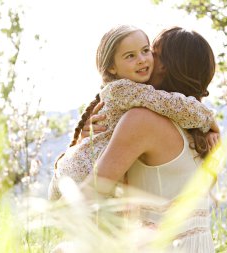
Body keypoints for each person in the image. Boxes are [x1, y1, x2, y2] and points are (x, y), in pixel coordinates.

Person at [81, 27, 217, 252]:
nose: (144, 60)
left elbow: (90, 192)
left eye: (150, 51)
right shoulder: (198, 127)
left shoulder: (142, 120)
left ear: (163, 65)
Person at [48, 25, 218, 201]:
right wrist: (208, 120)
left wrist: (207, 122)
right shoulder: (126, 92)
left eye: (148, 51)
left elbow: (171, 105)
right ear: (112, 67)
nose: (143, 60)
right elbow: (169, 104)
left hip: (78, 180)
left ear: (167, 66)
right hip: (75, 177)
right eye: (130, 55)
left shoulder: (148, 113)